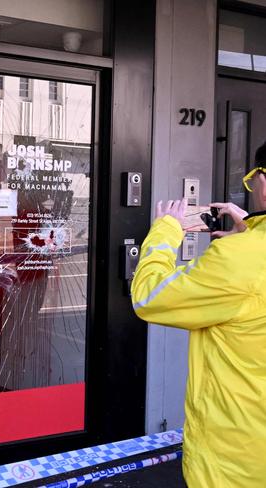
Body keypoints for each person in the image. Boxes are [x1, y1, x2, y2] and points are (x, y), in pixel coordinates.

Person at [131, 143, 266, 488]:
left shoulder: (240, 257)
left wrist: (165, 230)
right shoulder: (247, 250)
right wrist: (251, 231)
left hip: (238, 461)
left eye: (253, 179)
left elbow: (148, 297)